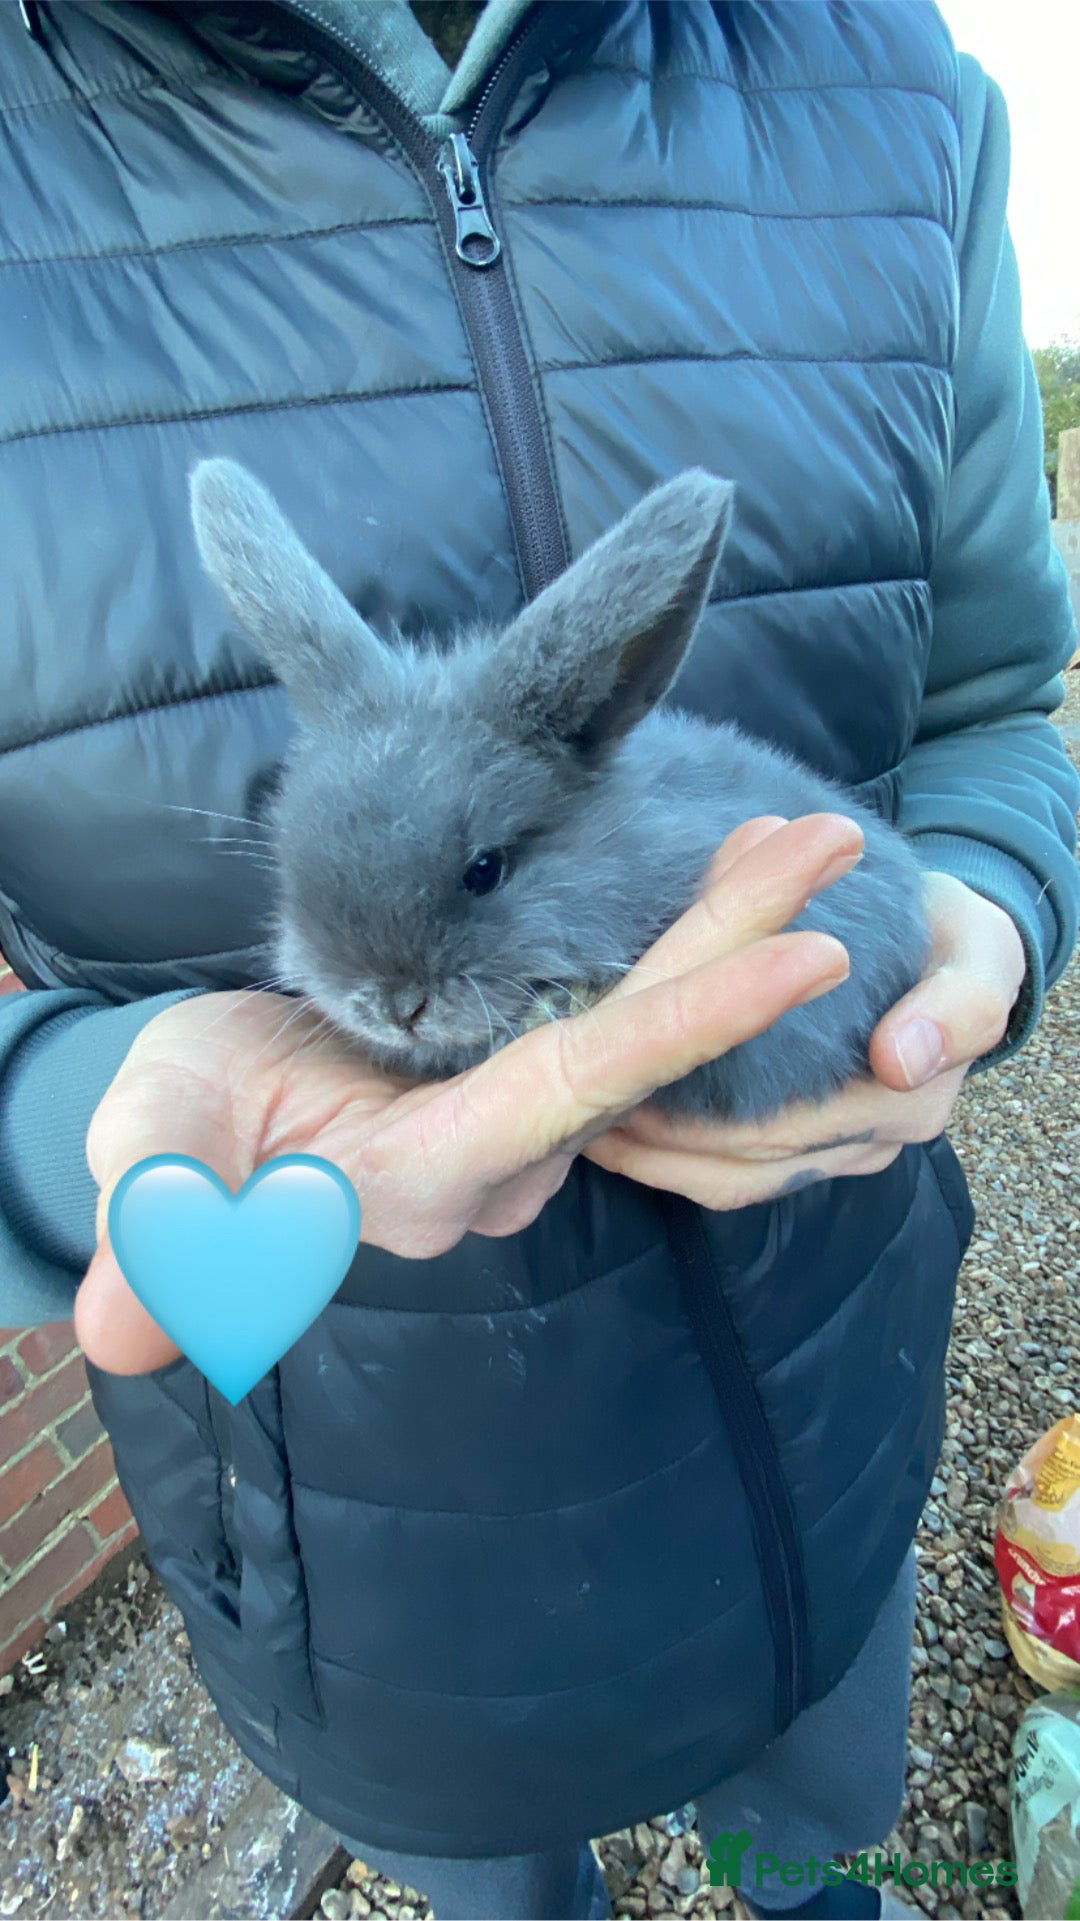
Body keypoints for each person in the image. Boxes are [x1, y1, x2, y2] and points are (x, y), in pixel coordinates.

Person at [0, 2, 1076, 1916]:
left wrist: (972, 921)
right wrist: (77, 1114)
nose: (390, 997)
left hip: (808, 1437)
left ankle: (807, 1887)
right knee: (496, 1877)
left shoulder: (898, 95)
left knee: (805, 1822)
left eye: (473, 891)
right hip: (381, 1580)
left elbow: (992, 698)